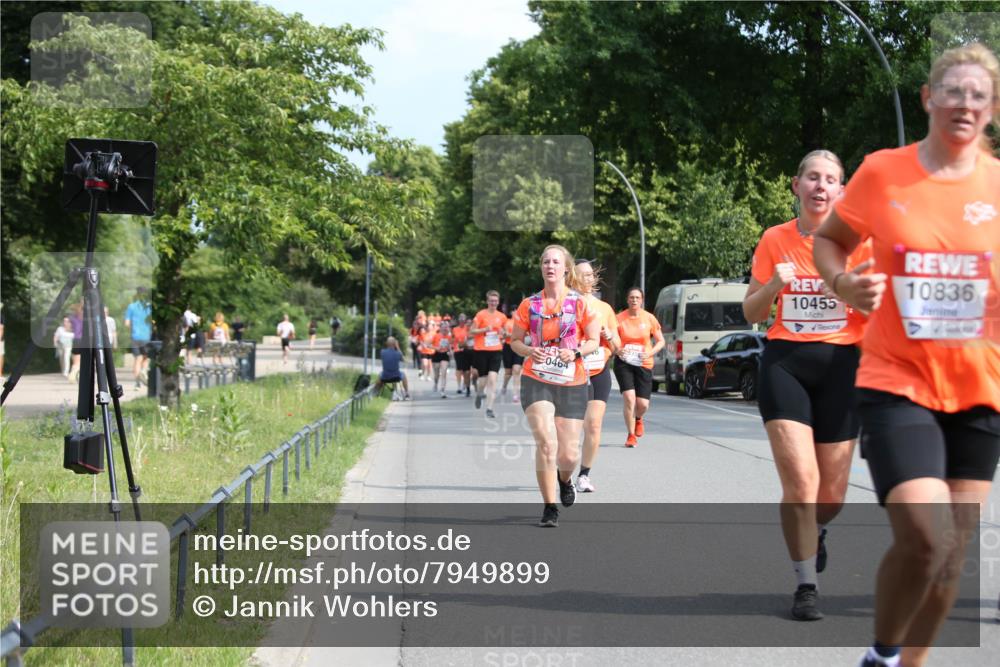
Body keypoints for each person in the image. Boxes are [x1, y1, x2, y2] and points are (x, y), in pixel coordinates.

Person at [813, 43, 999, 667]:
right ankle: (885, 651)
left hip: (980, 388)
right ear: (928, 98)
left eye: (978, 94)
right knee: (926, 538)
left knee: (949, 558)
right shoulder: (883, 172)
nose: (964, 104)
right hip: (898, 381)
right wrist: (843, 284)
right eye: (953, 90)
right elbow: (832, 242)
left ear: (993, 108)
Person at [743, 149, 872, 623]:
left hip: (843, 365)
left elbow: (880, 312)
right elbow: (752, 314)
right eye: (812, 178)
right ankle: (805, 585)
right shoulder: (774, 239)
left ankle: (816, 531)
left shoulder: (858, 241)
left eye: (830, 179)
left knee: (830, 497)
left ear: (841, 190)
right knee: (801, 484)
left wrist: (850, 290)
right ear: (796, 185)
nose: (820, 186)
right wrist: (774, 285)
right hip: (786, 365)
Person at [509, 245, 601, 527]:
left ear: (565, 268)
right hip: (536, 378)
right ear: (542, 268)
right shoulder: (529, 305)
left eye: (556, 262)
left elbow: (593, 341)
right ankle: (550, 507)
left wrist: (574, 353)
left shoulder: (581, 303)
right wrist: (528, 351)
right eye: (546, 261)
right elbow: (515, 341)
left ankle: (565, 479)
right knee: (547, 444)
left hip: (571, 380)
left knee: (569, 454)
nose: (550, 266)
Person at [574, 259, 621, 493]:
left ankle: (583, 475)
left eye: (590, 275)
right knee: (570, 429)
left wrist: (609, 336)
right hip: (570, 374)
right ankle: (563, 468)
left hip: (598, 372)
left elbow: (618, 345)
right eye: (581, 275)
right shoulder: (564, 305)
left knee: (593, 425)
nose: (587, 279)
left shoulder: (604, 309)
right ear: (572, 278)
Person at [613, 288, 665, 448]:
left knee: (642, 404)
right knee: (629, 398)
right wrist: (618, 349)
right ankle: (630, 435)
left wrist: (650, 352)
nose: (634, 300)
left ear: (641, 300)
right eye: (631, 297)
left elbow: (661, 341)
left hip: (643, 362)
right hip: (624, 362)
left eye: (637, 297)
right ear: (627, 300)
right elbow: (612, 341)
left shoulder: (649, 318)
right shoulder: (619, 319)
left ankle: (638, 418)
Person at [470, 290, 508, 419]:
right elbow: (471, 331)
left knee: (492, 379)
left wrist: (503, 333)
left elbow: (505, 333)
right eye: (491, 301)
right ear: (487, 301)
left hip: (496, 350)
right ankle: (480, 393)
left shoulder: (502, 316)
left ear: (498, 302)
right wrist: (484, 330)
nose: (493, 303)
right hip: (481, 350)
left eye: (495, 301)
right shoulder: (481, 315)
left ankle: (489, 408)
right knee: (483, 380)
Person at [124, 288, 152, 388]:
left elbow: (127, 323)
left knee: (137, 359)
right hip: (147, 336)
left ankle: (137, 383)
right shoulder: (149, 307)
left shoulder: (131, 307)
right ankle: (143, 372)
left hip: (135, 336)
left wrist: (134, 328)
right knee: (147, 358)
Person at [500, 307, 524, 404]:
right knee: (508, 372)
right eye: (514, 310)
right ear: (511, 312)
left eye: (517, 310)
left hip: (519, 346)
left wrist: (513, 335)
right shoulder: (507, 322)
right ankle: (504, 385)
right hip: (508, 347)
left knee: (516, 370)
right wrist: (507, 334)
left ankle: (515, 394)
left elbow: (526, 333)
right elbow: (504, 334)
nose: (515, 312)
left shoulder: (522, 322)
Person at [431, 320, 453, 398]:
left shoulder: (449, 336)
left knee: (444, 372)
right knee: (436, 374)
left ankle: (442, 390)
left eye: (446, 328)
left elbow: (450, 345)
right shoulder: (436, 336)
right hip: (436, 354)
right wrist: (436, 348)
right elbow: (428, 344)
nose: (445, 330)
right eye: (443, 328)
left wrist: (451, 352)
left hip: (445, 354)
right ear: (440, 328)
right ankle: (436, 383)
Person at [452, 313, 473, 396]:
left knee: (468, 371)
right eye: (460, 318)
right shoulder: (455, 329)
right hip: (458, 350)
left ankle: (466, 383)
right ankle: (460, 386)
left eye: (463, 318)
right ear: (458, 320)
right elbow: (453, 340)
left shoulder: (468, 328)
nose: (462, 319)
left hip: (468, 350)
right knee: (460, 369)